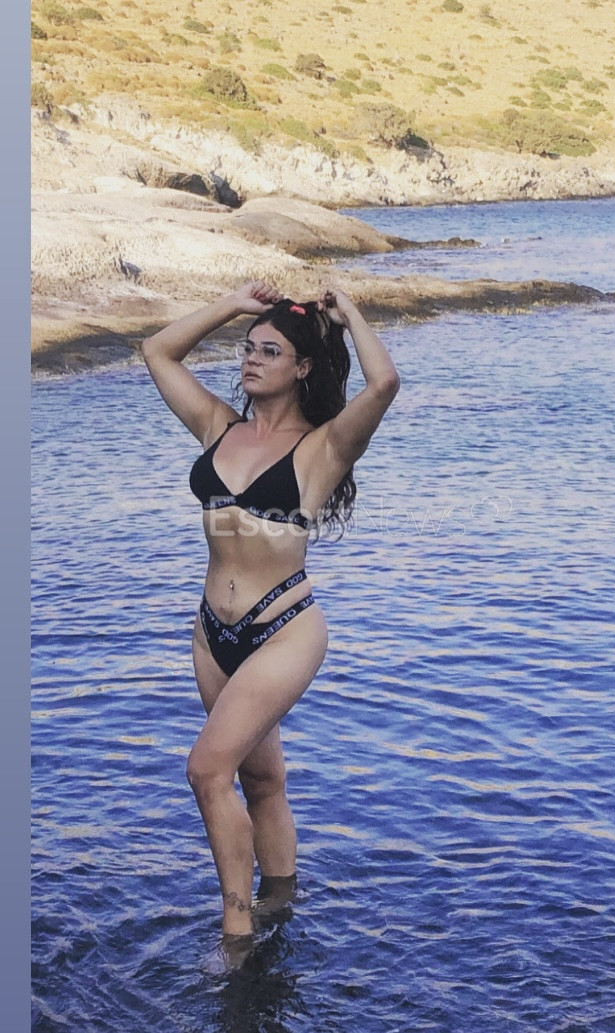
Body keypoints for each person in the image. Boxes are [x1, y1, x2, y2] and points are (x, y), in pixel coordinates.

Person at [141, 280, 400, 958]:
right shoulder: (218, 426)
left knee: (206, 770)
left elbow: (383, 383)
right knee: (260, 781)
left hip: (283, 629)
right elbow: (157, 351)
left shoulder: (322, 449)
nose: (251, 359)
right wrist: (232, 303)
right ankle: (281, 900)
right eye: (248, 349)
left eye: (269, 351)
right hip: (212, 633)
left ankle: (236, 934)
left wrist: (349, 312)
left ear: (303, 367)